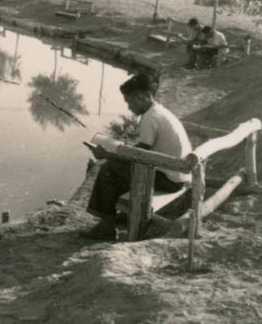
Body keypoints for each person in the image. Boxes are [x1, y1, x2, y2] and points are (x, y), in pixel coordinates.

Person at [81, 73, 193, 240]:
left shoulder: (150, 118)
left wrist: (106, 154)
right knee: (117, 168)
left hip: (171, 180)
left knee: (108, 171)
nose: (129, 107)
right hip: (178, 175)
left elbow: (139, 156)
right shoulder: (159, 112)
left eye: (129, 102)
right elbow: (142, 151)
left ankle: (107, 226)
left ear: (140, 97)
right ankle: (115, 215)